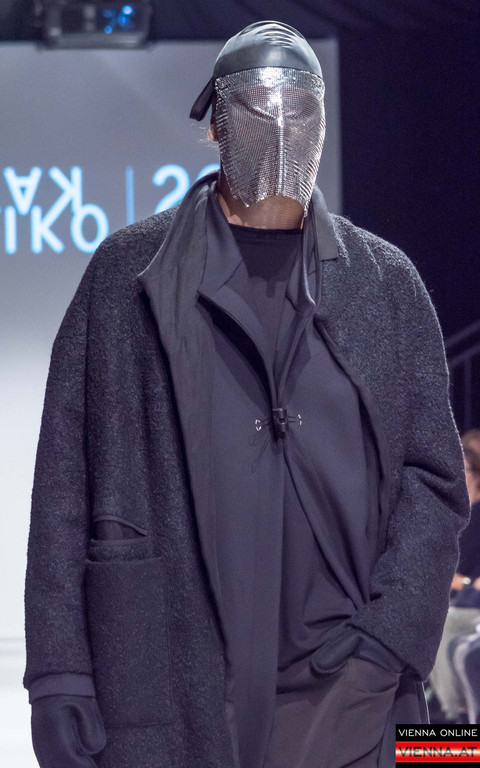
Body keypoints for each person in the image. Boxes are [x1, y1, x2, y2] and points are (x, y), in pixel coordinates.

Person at [23, 20, 470, 768]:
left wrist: (387, 644)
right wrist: (58, 673)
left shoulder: (385, 284)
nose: (282, 126)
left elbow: (433, 480)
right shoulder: (128, 275)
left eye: (301, 106)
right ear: (216, 125)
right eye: (260, 107)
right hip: (169, 676)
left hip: (346, 690)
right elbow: (65, 481)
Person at [428, 431, 480, 723]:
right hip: (455, 597)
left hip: (470, 602)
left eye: (465, 469)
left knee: (446, 624)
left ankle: (455, 718)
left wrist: (465, 583)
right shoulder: (453, 516)